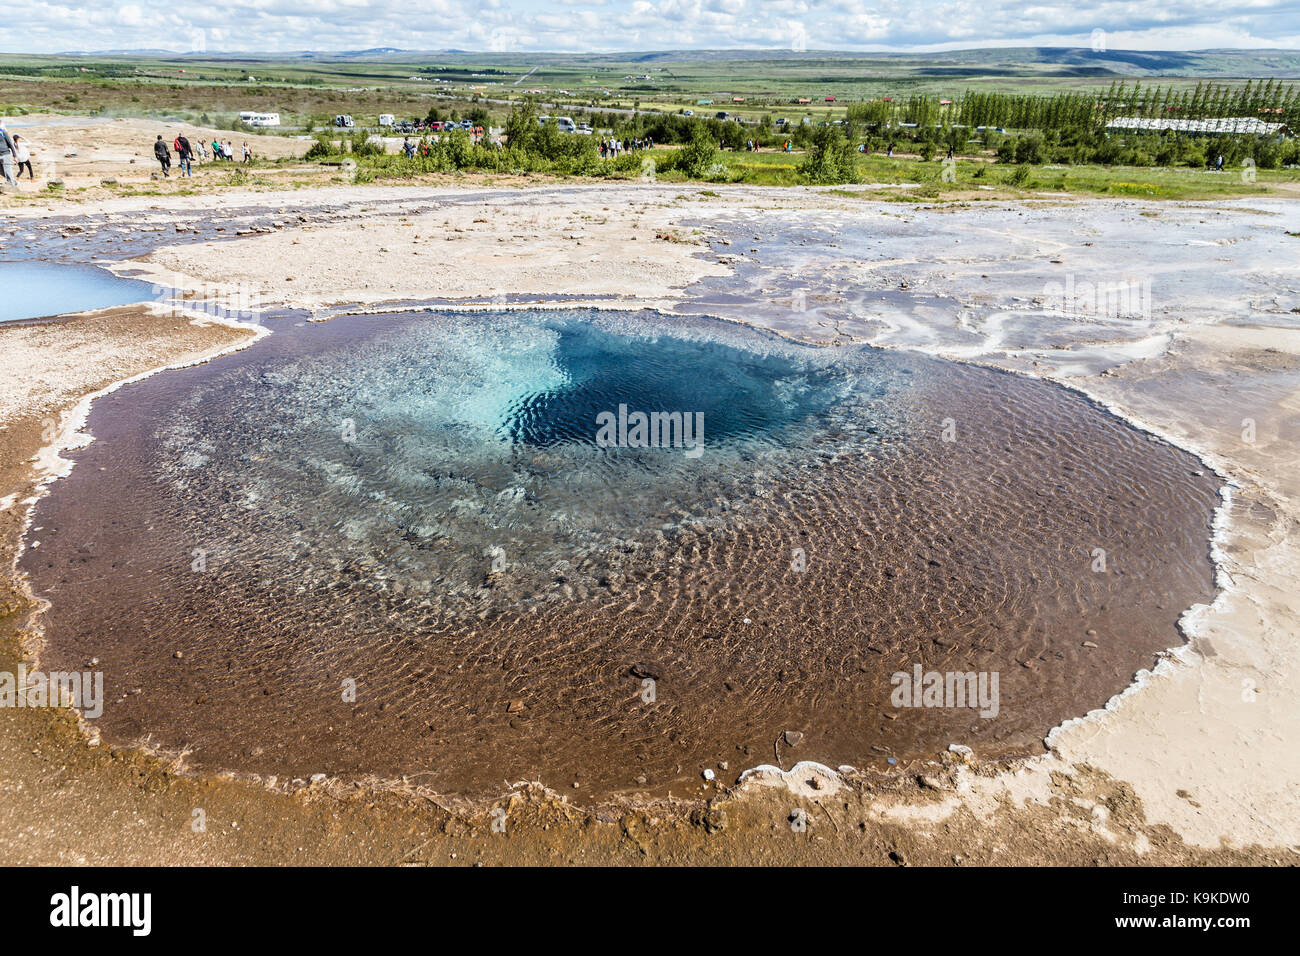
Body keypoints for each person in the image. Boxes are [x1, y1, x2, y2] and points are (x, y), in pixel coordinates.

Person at [0, 121, 18, 186]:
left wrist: (15, 156)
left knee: (8, 171)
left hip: (5, 154)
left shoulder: (2, 132)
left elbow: (10, 144)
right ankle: (14, 182)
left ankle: (11, 185)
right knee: (2, 172)